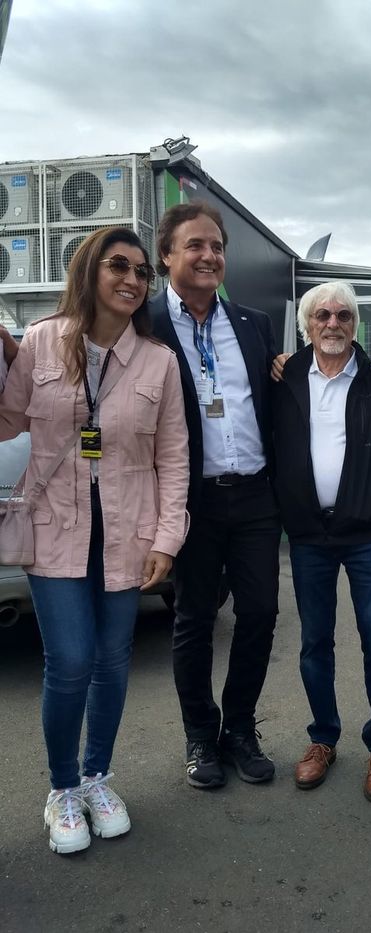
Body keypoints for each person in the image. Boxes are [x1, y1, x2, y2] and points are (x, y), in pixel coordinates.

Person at [0, 227, 190, 853]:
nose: (133, 280)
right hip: (56, 528)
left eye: (141, 271)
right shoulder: (41, 342)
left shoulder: (158, 360)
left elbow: (173, 456)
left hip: (127, 534)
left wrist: (167, 537)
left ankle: (96, 777)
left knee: (112, 664)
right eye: (119, 266)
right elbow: (8, 421)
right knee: (71, 662)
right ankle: (61, 789)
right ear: (90, 271)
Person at [149, 202, 281, 789]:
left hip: (254, 497)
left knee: (259, 613)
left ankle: (240, 730)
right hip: (189, 501)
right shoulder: (144, 325)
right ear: (166, 257)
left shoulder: (253, 324)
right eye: (195, 246)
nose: (209, 256)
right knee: (195, 619)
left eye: (217, 246)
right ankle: (201, 735)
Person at [272, 281, 371, 803]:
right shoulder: (284, 378)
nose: (333, 323)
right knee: (315, 641)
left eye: (344, 316)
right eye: (323, 315)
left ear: (355, 324)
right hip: (309, 533)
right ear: (307, 324)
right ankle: (323, 738)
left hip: (367, 534)